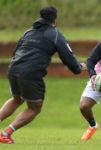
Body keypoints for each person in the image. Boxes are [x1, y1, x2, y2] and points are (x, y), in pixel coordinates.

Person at [0, 6, 86, 144]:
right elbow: (68, 57)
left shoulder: (28, 32)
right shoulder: (55, 34)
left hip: (13, 69)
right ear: (55, 20)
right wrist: (78, 68)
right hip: (30, 73)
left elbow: (16, 51)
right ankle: (5, 133)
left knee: (17, 99)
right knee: (35, 107)